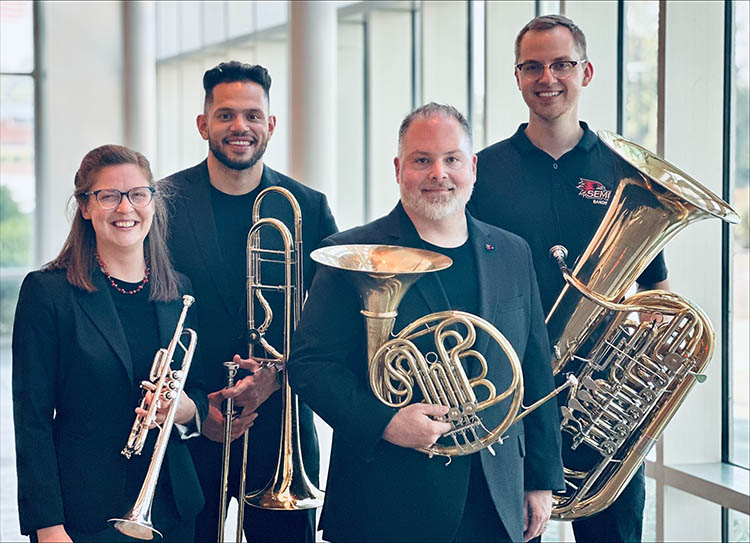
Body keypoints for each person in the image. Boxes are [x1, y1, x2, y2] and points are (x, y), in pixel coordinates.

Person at [288, 103, 564, 543]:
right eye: (422, 160)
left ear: (472, 168)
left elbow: (535, 367)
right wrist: (385, 421)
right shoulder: (350, 252)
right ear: (399, 169)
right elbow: (309, 364)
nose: (439, 173)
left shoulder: (513, 252)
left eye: (452, 159)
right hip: (385, 501)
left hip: (496, 498)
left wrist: (541, 477)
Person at [468, 15, 670, 543]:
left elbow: (656, 288)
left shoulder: (623, 172)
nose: (547, 77)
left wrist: (652, 349)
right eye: (532, 66)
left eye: (561, 64)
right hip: (508, 391)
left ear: (587, 72)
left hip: (602, 395)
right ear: (517, 77)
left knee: (613, 534)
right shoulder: (482, 173)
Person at [164, 61, 338, 542]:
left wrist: (275, 376)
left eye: (252, 115)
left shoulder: (308, 206)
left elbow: (333, 317)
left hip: (279, 420)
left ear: (270, 125)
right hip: (192, 420)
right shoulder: (162, 205)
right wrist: (199, 407)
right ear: (203, 125)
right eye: (225, 115)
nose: (240, 127)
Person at [12, 145, 208, 543]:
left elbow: (196, 391)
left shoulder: (178, 292)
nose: (126, 208)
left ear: (152, 201)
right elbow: (30, 419)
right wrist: (48, 526)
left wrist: (186, 409)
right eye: (108, 196)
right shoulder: (48, 293)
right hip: (85, 513)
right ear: (86, 206)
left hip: (171, 508)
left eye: (138, 194)